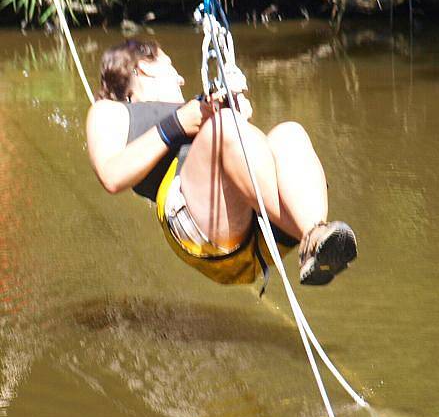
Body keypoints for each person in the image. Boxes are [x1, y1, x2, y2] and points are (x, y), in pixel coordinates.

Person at [86, 38, 357, 286]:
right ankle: (305, 230)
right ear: (145, 67)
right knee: (224, 128)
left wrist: (236, 114)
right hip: (198, 224)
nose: (181, 79)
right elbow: (111, 176)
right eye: (170, 66)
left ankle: (315, 235)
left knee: (290, 132)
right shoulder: (109, 113)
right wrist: (181, 123)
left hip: (256, 226)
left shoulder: (199, 111)